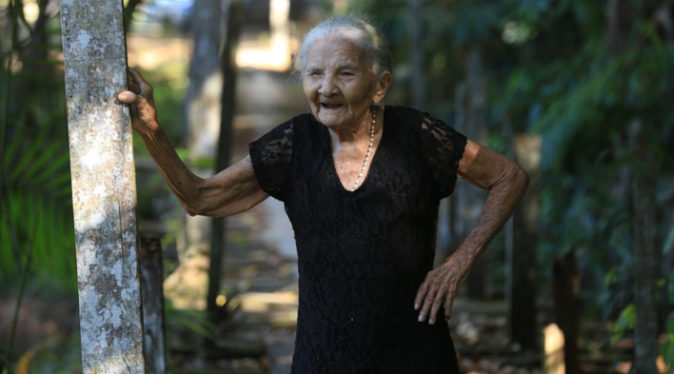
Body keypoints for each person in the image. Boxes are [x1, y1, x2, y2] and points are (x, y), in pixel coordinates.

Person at [119, 15, 528, 374]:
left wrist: (458, 263)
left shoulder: (417, 137)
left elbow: (509, 177)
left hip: (414, 351)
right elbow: (201, 198)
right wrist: (152, 131)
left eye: (345, 74)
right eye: (314, 74)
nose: (327, 88)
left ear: (379, 85)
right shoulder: (294, 144)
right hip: (323, 356)